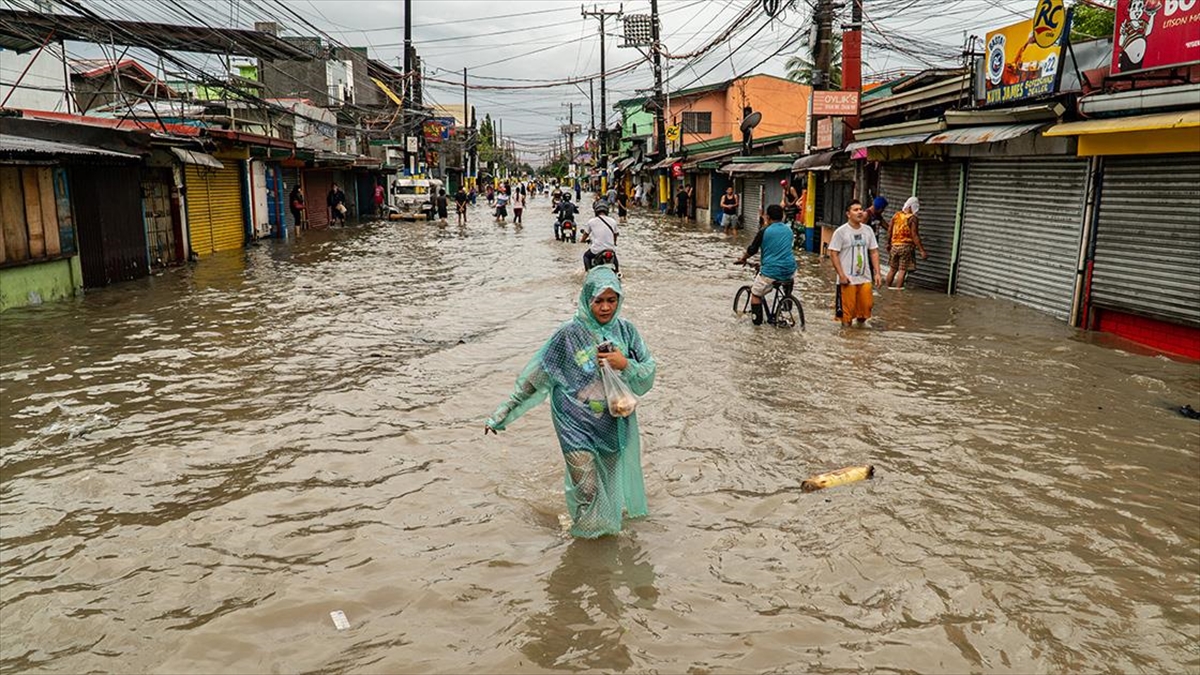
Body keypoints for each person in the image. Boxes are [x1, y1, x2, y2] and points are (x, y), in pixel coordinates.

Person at [485, 266, 655, 538]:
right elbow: (537, 377)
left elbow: (648, 372)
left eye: (611, 300)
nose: (605, 307)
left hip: (613, 423)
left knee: (609, 486)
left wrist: (625, 364)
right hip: (574, 424)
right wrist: (503, 413)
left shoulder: (627, 333)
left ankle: (603, 539)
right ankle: (585, 542)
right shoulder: (568, 335)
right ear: (587, 299)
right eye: (598, 300)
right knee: (587, 488)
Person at [735, 204, 796, 326]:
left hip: (772, 271)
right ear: (783, 216)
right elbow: (779, 250)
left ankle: (757, 325)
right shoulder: (789, 230)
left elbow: (752, 249)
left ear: (767, 217)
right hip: (790, 270)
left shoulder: (764, 231)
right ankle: (786, 303)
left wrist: (743, 259)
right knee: (785, 285)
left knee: (756, 293)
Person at [829, 199, 883, 327]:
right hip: (847, 279)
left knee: (865, 312)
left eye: (861, 209)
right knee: (847, 318)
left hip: (865, 278)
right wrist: (841, 275)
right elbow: (833, 254)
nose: (859, 212)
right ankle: (847, 341)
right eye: (855, 210)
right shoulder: (841, 232)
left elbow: (874, 252)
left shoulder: (868, 230)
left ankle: (859, 342)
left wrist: (877, 273)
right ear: (848, 214)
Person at [885, 197, 927, 289]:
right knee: (902, 270)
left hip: (894, 247)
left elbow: (889, 231)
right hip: (906, 247)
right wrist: (922, 250)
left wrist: (888, 244)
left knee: (892, 269)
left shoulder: (896, 215)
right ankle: (898, 290)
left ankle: (886, 289)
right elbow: (915, 235)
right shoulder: (912, 218)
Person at [581, 201, 619, 273]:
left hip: (596, 250)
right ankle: (617, 272)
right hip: (610, 249)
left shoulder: (591, 221)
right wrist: (614, 242)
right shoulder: (613, 221)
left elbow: (586, 234)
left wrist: (582, 240)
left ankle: (588, 272)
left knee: (586, 256)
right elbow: (615, 234)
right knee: (614, 257)